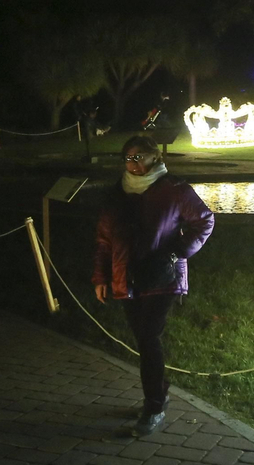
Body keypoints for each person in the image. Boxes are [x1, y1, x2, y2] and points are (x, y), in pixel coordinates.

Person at [91, 135, 214, 437]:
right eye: (128, 158)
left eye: (138, 157)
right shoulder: (117, 193)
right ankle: (159, 391)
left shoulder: (174, 190)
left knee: (148, 338)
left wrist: (177, 251)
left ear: (154, 158)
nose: (133, 164)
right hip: (126, 278)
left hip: (162, 277)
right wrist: (101, 276)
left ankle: (154, 406)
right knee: (142, 339)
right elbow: (104, 239)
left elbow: (204, 221)